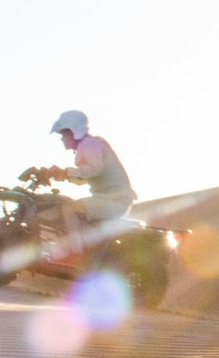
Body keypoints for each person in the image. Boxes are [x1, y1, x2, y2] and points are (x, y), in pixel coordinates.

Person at [22, 110, 135, 258]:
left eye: (64, 134)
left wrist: (67, 172)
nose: (62, 138)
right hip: (112, 199)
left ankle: (74, 252)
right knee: (65, 205)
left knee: (69, 209)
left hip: (114, 201)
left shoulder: (89, 144)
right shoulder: (89, 145)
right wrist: (60, 174)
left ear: (73, 131)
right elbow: (84, 178)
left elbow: (95, 169)